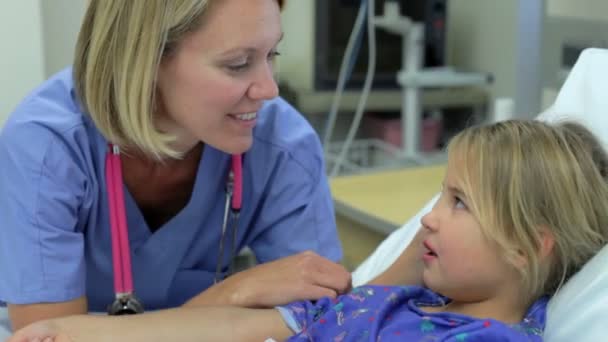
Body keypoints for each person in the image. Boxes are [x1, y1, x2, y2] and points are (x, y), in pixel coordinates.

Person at [10, 119, 608, 341]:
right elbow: (243, 327)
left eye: (458, 203)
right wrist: (77, 332)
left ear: (529, 244)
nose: (428, 214)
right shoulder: (395, 302)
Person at [0, 0, 352, 331]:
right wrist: (229, 297)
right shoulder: (46, 148)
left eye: (271, 54)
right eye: (238, 64)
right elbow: (45, 337)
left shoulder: (283, 145)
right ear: (144, 60)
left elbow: (320, 319)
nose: (269, 89)